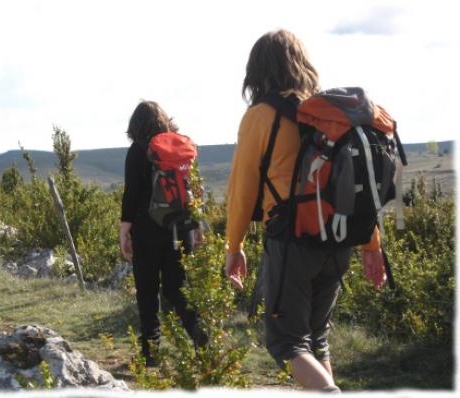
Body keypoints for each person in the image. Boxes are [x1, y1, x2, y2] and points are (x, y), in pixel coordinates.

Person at [224, 29, 386, 392]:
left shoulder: (260, 117)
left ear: (257, 70)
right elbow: (357, 184)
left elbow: (241, 190)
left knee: (286, 342)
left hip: (291, 241)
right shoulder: (329, 116)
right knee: (315, 339)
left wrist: (234, 247)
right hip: (339, 238)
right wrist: (371, 246)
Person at [120, 100, 206, 367]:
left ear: (135, 125)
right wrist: (198, 226)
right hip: (181, 227)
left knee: (147, 292)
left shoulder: (137, 151)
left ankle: (151, 355)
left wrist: (124, 231)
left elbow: (131, 194)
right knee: (178, 290)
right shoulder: (182, 149)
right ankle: (201, 339)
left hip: (147, 230)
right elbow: (194, 191)